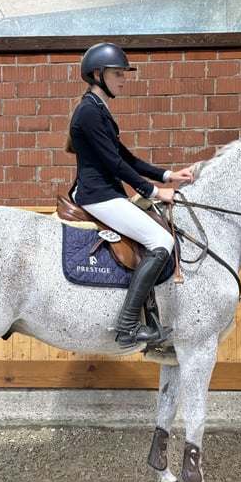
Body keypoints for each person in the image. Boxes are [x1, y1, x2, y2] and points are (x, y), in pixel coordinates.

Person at [65, 42, 195, 348]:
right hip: (98, 195)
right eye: (117, 73)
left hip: (108, 193)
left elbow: (127, 157)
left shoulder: (98, 110)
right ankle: (127, 326)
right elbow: (114, 163)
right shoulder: (88, 112)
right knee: (162, 241)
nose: (124, 78)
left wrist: (167, 175)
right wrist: (153, 191)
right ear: (97, 74)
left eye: (125, 73)